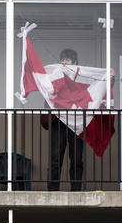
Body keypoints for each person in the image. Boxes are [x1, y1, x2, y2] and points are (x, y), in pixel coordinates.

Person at [44, 49, 114, 191]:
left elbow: (98, 88)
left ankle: (76, 190)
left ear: (75, 63)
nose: (64, 62)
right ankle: (52, 189)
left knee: (76, 159)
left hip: (78, 122)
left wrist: (109, 78)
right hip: (59, 121)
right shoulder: (57, 75)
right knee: (55, 157)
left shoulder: (82, 76)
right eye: (62, 59)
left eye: (67, 60)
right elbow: (47, 88)